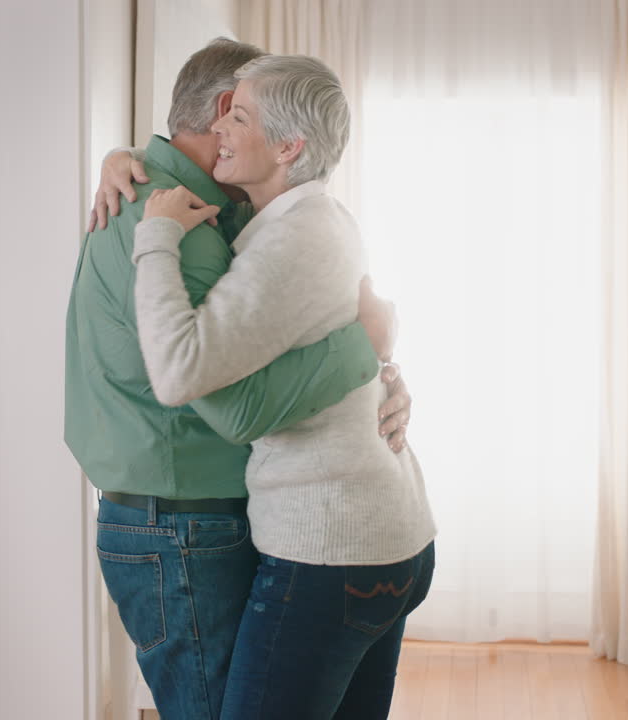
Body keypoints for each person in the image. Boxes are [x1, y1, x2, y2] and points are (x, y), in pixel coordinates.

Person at [63, 39, 413, 720]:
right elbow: (222, 397)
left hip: (176, 518)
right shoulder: (176, 223)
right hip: (183, 526)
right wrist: (364, 352)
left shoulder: (191, 203)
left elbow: (292, 319)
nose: (234, 132)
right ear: (224, 110)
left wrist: (383, 377)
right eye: (240, 115)